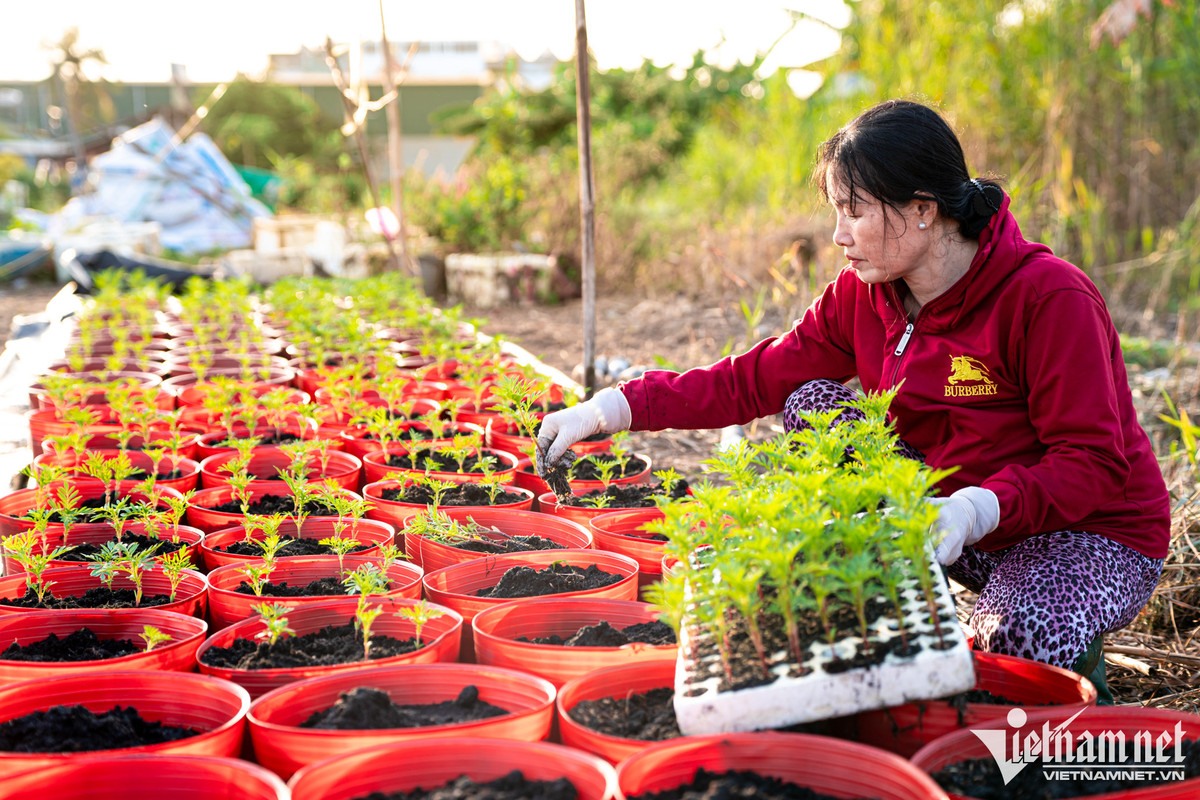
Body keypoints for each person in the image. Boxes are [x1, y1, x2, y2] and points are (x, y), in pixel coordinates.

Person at [535, 99, 1169, 695]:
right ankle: (926, 595)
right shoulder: (864, 295)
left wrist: (976, 509)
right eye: (835, 210)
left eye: (855, 212)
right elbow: (755, 378)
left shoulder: (1047, 299)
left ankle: (1072, 676)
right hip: (950, 519)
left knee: (1019, 633)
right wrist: (609, 409)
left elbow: (1093, 462)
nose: (838, 235)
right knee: (810, 401)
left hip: (1086, 531)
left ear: (923, 208)